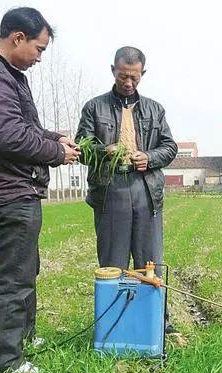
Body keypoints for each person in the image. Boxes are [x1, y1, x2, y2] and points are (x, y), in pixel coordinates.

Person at [0, 7, 80, 373]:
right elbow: (9, 136)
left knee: (26, 269)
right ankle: (5, 362)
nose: (40, 58)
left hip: (19, 188)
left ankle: (22, 336)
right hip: (6, 190)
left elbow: (26, 127)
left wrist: (54, 137)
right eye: (39, 49)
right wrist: (57, 154)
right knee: (13, 276)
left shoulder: (7, 75)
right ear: (17, 39)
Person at [75, 46, 178, 331]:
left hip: (146, 191)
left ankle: (159, 325)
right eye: (123, 76)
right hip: (111, 191)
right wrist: (103, 150)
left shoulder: (155, 110)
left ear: (142, 74)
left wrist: (149, 157)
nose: (128, 83)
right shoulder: (94, 108)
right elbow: (81, 149)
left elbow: (170, 148)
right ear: (113, 71)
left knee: (151, 261)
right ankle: (113, 326)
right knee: (113, 262)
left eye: (134, 77)